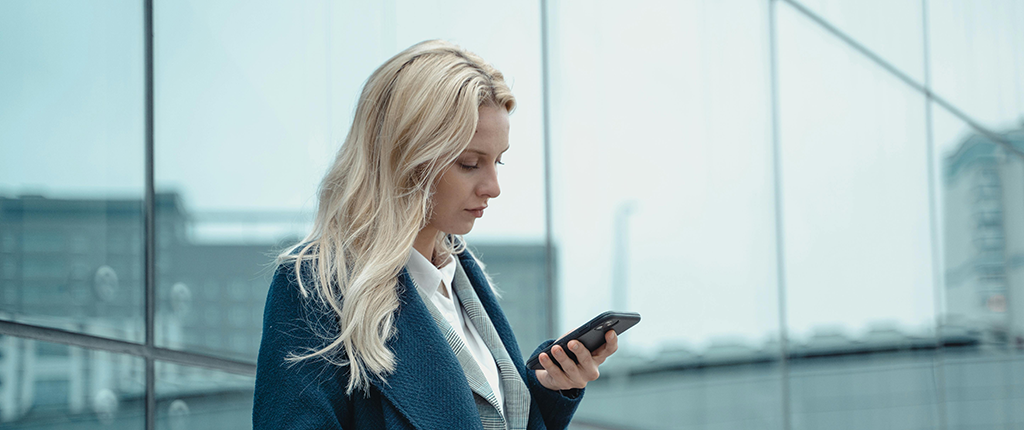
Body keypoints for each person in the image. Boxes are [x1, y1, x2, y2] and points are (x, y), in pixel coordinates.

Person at [253, 39, 618, 430]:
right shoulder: (316, 287)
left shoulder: (461, 274)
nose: (493, 186)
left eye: (498, 161)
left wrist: (548, 388)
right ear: (406, 157)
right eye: (470, 163)